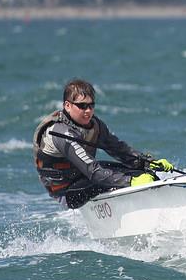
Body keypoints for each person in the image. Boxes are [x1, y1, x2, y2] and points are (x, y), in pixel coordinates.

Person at [33, 79, 174, 209]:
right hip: (67, 191)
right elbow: (94, 172)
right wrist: (130, 181)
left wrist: (148, 162)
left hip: (84, 176)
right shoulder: (60, 132)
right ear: (67, 106)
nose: (88, 111)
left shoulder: (95, 125)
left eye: (91, 105)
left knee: (144, 173)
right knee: (129, 180)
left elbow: (119, 150)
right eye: (82, 106)